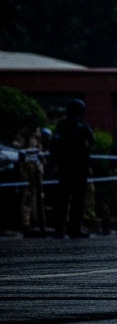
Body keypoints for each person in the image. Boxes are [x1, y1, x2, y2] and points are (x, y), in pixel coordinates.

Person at [50, 99, 95, 239]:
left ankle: (60, 228)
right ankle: (72, 228)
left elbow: (54, 145)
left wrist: (56, 162)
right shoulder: (82, 126)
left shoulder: (61, 125)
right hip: (77, 168)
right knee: (77, 200)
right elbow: (92, 142)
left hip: (66, 167)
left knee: (63, 200)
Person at [14, 114, 48, 238]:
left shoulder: (38, 134)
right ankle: (27, 224)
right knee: (27, 194)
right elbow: (17, 147)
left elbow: (40, 149)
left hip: (37, 168)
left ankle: (38, 222)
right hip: (27, 168)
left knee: (39, 195)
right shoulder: (23, 134)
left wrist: (42, 160)